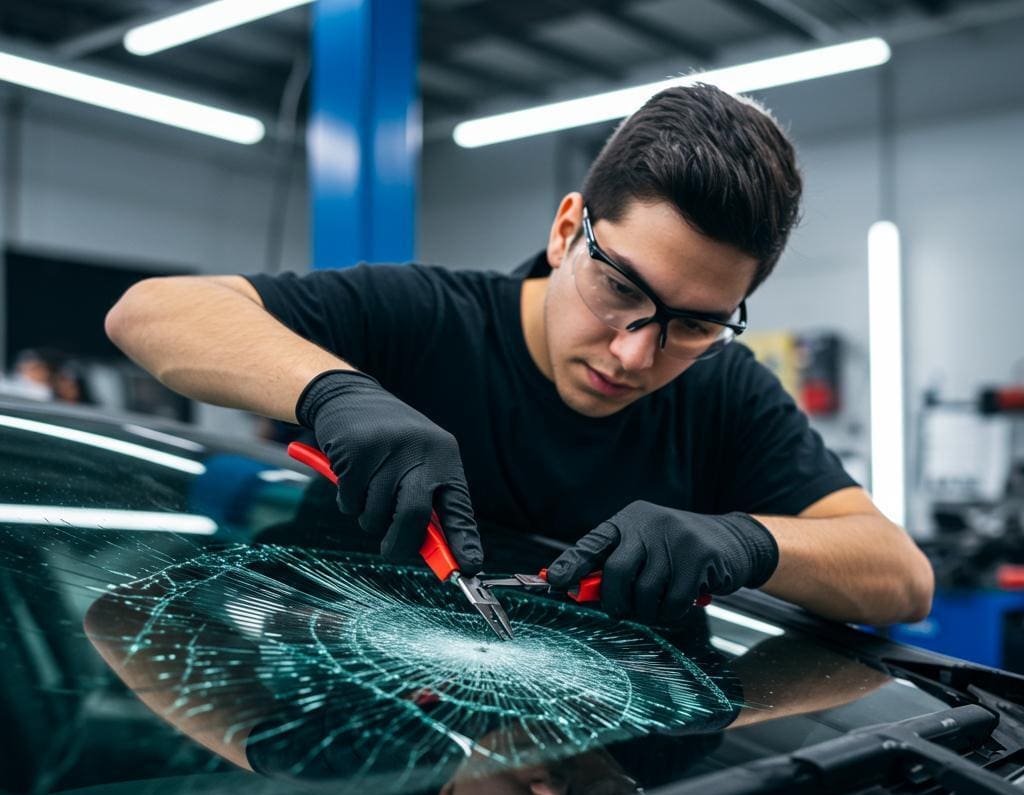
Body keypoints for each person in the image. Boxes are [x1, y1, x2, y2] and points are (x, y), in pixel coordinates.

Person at [104, 83, 933, 627]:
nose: (635, 352)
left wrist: (749, 542)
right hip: (352, 734)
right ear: (568, 229)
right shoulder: (428, 316)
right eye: (620, 289)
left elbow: (902, 578)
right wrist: (332, 391)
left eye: (694, 323)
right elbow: (153, 311)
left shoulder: (725, 393)